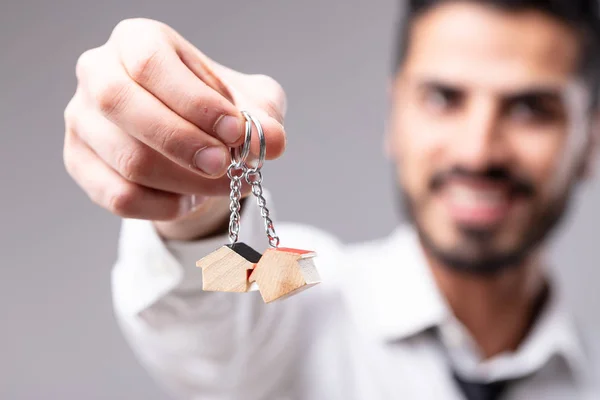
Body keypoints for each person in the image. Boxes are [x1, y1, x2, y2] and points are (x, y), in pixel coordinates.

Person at [63, 0, 600, 398]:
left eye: (531, 109)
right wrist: (194, 203)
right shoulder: (303, 306)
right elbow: (205, 319)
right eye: (443, 98)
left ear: (591, 140)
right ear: (396, 115)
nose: (478, 151)